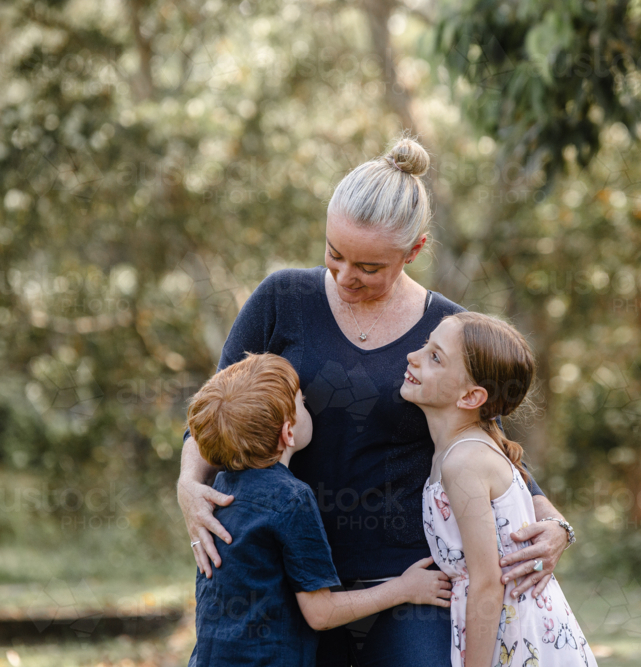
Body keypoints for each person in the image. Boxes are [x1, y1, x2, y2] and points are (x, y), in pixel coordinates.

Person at [178, 136, 576, 666]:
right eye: (334, 254)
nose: (345, 277)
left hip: (414, 583)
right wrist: (188, 484)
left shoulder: (449, 333)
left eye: (368, 267)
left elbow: (491, 444)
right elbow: (219, 411)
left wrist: (554, 525)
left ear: (414, 251)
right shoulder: (282, 300)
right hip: (289, 581)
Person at [186, 352, 452, 666]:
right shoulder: (291, 499)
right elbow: (321, 613)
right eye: (302, 401)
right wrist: (404, 589)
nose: (309, 405)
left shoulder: (216, 492)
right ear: (288, 433)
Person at [402, 312, 597, 667]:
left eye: (435, 357)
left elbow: (487, 583)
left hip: (516, 639)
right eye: (425, 345)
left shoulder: (465, 462)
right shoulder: (461, 450)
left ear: (471, 396)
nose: (412, 357)